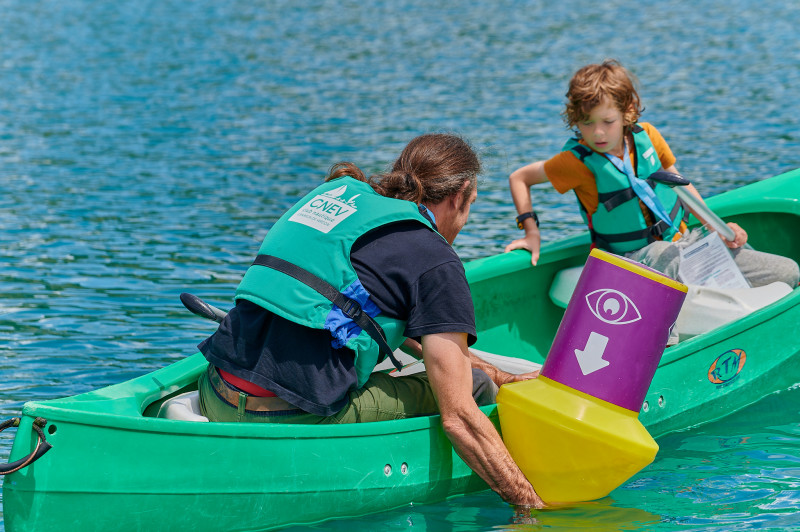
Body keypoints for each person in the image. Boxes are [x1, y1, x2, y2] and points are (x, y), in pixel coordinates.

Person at [197, 133, 545, 508]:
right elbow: (458, 418)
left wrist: (502, 374)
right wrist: (532, 506)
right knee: (474, 388)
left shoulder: (338, 196)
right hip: (284, 419)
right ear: (459, 195)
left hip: (215, 389)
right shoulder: (435, 259)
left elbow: (366, 313)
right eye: (471, 205)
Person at [505, 60, 799, 288]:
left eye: (607, 121)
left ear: (627, 112)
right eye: (586, 123)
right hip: (631, 260)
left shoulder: (647, 136)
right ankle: (666, 338)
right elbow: (520, 178)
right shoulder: (575, 162)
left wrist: (716, 227)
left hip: (684, 242)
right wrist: (531, 233)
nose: (597, 132)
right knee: (663, 255)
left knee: (788, 272)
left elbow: (679, 184)